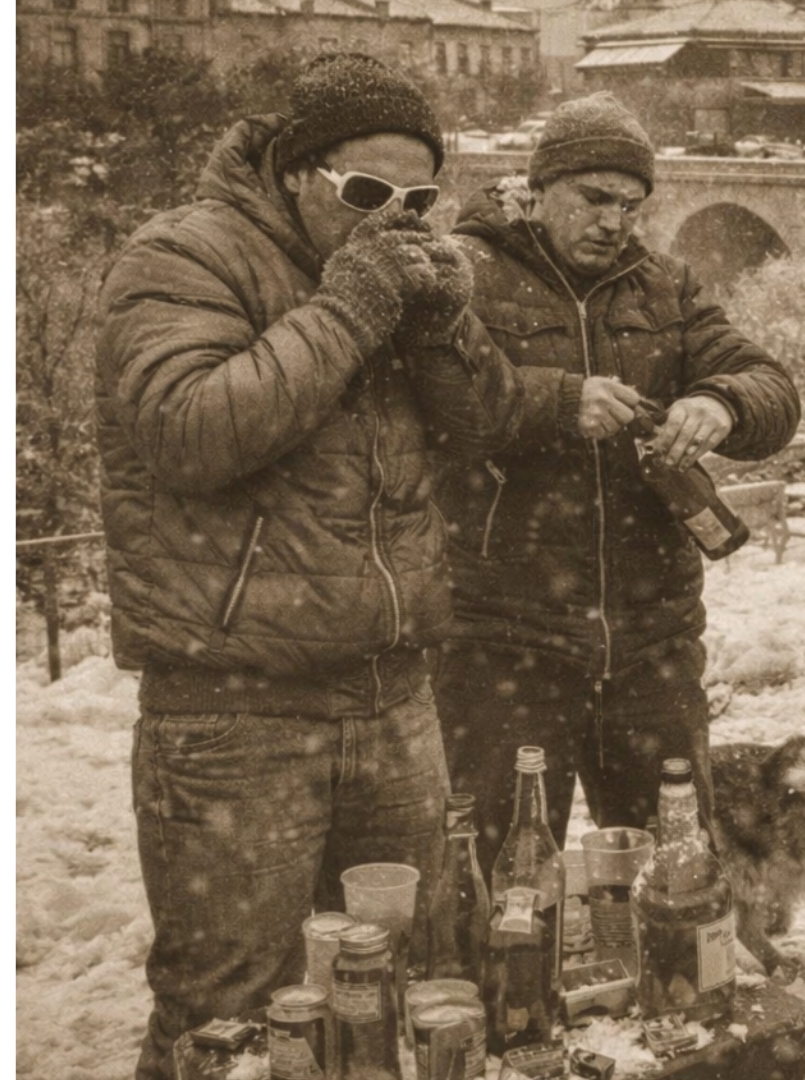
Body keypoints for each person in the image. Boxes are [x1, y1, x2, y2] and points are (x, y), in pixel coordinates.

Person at [95, 53, 523, 1079]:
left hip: (394, 693)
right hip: (235, 709)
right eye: (366, 194)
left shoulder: (386, 278)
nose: (393, 219)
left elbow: (488, 430)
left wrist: (444, 332)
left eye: (418, 201)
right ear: (295, 172)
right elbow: (188, 431)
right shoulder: (183, 255)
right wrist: (350, 310)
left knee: (415, 983)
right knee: (228, 1009)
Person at [434, 92, 799, 870]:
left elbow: (771, 385)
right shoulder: (465, 271)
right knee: (504, 866)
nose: (614, 221)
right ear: (537, 190)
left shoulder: (664, 286)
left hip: (652, 637)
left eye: (631, 205)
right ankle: (511, 990)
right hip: (506, 637)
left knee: (676, 864)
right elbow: (438, 402)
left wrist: (720, 401)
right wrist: (559, 401)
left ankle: (669, 986)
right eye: (594, 198)